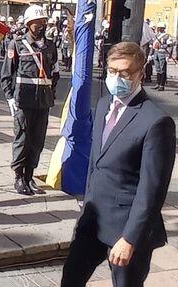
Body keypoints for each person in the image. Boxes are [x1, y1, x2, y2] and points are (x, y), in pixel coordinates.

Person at [61, 42, 176, 287]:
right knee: (70, 279)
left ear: (140, 74)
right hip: (93, 222)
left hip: (126, 230)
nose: (116, 78)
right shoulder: (103, 104)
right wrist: (85, 212)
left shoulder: (156, 122)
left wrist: (130, 238)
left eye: (124, 73)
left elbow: (152, 191)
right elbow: (96, 163)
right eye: (112, 71)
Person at [0, 5, 59, 196]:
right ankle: (18, 177)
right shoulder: (17, 44)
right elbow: (6, 74)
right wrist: (10, 97)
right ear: (28, 24)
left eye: (44, 22)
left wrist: (51, 92)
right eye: (38, 23)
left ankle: (29, 176)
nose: (42, 26)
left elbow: (55, 73)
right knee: (23, 138)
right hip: (23, 100)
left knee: (37, 140)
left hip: (43, 101)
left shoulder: (50, 46)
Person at [152, 22, 174, 91]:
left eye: (160, 28)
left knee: (163, 69)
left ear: (163, 28)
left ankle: (162, 85)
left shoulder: (167, 36)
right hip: (156, 53)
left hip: (163, 53)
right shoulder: (156, 35)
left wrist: (168, 55)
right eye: (158, 28)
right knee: (158, 69)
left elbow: (171, 45)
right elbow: (153, 44)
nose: (159, 29)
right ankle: (158, 84)